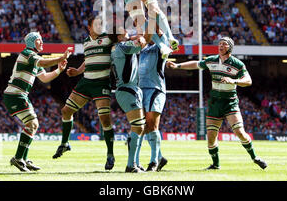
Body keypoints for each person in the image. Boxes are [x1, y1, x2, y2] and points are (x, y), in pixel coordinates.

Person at [167, 36, 268, 170]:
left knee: (239, 132)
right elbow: (196, 64)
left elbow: (248, 80)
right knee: (211, 136)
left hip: (230, 102)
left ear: (230, 47)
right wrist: (177, 65)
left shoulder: (237, 64)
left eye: (224, 44)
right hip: (215, 102)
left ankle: (255, 157)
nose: (220, 46)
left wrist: (234, 81)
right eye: (219, 44)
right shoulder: (212, 60)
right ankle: (216, 165)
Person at [52, 16, 116, 171]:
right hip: (86, 82)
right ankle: (65, 143)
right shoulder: (86, 42)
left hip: (101, 82)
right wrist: (77, 71)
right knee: (66, 110)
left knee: (105, 120)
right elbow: (87, 60)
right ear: (89, 27)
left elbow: (122, 36)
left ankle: (110, 154)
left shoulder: (108, 38)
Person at [3, 32, 72, 172]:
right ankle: (18, 158)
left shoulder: (33, 58)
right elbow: (43, 62)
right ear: (32, 42)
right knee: (32, 124)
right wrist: (61, 57)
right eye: (39, 41)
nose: (42, 43)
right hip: (15, 94)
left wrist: (59, 70)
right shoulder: (28, 53)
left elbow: (45, 78)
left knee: (33, 125)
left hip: (20, 95)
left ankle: (23, 159)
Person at [110, 27, 151, 173]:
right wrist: (149, 27)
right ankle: (130, 165)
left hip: (128, 89)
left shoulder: (116, 47)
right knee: (139, 127)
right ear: (120, 36)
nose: (129, 32)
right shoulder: (123, 46)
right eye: (125, 31)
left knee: (139, 127)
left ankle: (134, 162)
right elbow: (143, 42)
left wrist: (136, 37)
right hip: (127, 89)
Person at [136, 36, 169, 172]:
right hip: (140, 89)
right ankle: (158, 157)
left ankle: (154, 161)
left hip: (155, 89)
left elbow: (163, 36)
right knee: (141, 126)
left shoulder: (160, 46)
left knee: (152, 124)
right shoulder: (142, 48)